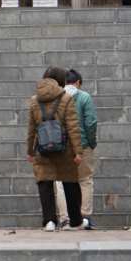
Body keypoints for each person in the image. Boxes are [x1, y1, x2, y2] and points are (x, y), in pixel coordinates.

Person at [26, 66, 85, 232]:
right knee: (70, 183)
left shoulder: (34, 100)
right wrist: (78, 152)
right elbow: (73, 127)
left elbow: (31, 129)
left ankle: (49, 221)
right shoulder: (66, 99)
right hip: (64, 149)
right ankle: (75, 221)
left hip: (42, 148)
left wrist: (30, 151)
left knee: (45, 183)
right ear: (61, 81)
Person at [55, 69, 98, 230]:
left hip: (60, 147)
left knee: (60, 182)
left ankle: (65, 219)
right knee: (85, 180)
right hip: (82, 145)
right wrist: (91, 142)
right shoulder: (84, 97)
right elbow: (91, 123)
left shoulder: (56, 98)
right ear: (78, 82)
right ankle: (84, 217)